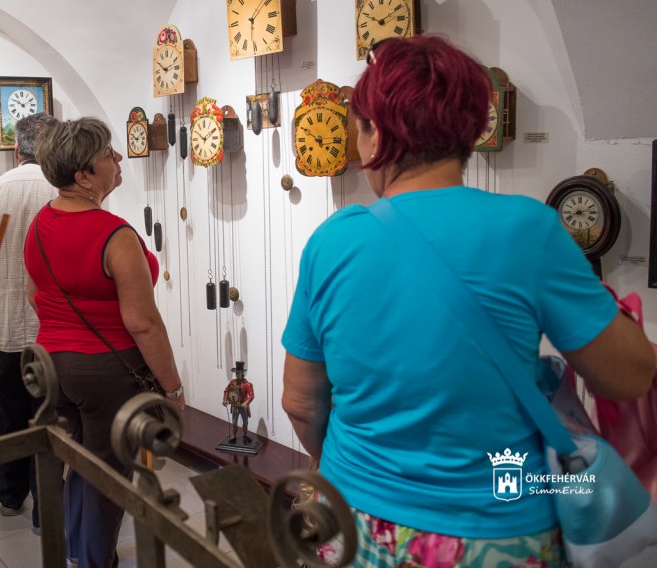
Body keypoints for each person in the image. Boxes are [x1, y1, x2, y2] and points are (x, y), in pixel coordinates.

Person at [281, 35, 655, 568]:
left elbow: (300, 402)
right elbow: (629, 377)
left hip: (353, 526)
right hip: (496, 532)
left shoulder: (331, 241)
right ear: (469, 128)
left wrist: (355, 472)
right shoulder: (529, 229)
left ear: (375, 131)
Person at [24, 117, 185, 568]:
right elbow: (143, 323)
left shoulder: (41, 222)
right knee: (109, 475)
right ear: (84, 176)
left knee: (78, 462)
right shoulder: (115, 234)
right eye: (107, 154)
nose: (117, 159)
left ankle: (75, 551)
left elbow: (35, 295)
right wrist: (172, 388)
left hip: (51, 364)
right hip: (106, 371)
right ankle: (95, 560)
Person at [0, 112, 57, 534]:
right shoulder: (62, 190)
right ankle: (45, 510)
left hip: (2, 329)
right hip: (50, 331)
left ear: (16, 149)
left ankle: (9, 496)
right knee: (47, 420)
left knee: (10, 415)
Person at [221, 361, 254, 442]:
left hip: (243, 407)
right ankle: (234, 436)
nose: (237, 374)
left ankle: (245, 435)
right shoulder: (232, 382)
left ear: (242, 373)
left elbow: (251, 395)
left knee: (245, 422)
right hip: (235, 406)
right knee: (234, 422)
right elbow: (226, 391)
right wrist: (225, 399)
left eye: (239, 373)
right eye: (236, 373)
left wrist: (246, 403)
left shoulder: (247, 384)